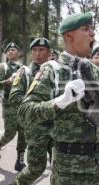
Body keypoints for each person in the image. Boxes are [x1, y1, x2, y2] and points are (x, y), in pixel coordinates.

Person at [18, 12, 99, 184]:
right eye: (85, 29)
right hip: (70, 168)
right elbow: (24, 112)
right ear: (69, 36)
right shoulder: (53, 70)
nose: (93, 33)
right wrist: (60, 101)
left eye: (92, 28)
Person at [10, 37, 53, 184]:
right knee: (35, 168)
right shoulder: (25, 72)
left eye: (41, 50)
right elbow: (14, 97)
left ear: (49, 52)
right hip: (36, 128)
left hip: (57, 128)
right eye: (34, 50)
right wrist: (39, 107)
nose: (38, 54)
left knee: (60, 168)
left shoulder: (57, 71)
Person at [0, 42, 26, 171]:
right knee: (10, 133)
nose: (11, 51)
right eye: (8, 50)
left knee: (23, 134)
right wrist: (8, 81)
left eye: (13, 49)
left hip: (22, 105)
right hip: (9, 105)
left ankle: (20, 161)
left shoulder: (24, 68)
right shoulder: (3, 67)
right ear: (6, 53)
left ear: (18, 53)